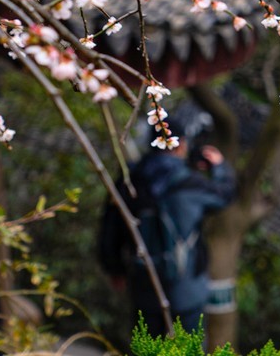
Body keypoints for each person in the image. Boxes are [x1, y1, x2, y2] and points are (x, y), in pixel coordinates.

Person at [98, 122, 236, 337]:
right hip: (187, 285)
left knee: (148, 343)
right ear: (180, 145)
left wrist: (114, 268)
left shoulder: (130, 180)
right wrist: (219, 168)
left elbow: (110, 227)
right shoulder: (191, 183)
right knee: (188, 346)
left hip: (144, 280)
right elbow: (224, 195)